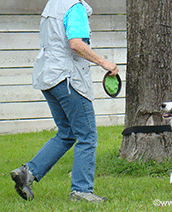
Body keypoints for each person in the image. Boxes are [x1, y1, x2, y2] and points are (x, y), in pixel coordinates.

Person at [10, 0, 119, 203]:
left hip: (48, 77)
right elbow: (75, 43)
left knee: (67, 132)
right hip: (68, 78)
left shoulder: (52, 5)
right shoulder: (74, 7)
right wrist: (105, 63)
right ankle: (81, 191)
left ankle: (27, 173)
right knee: (87, 135)